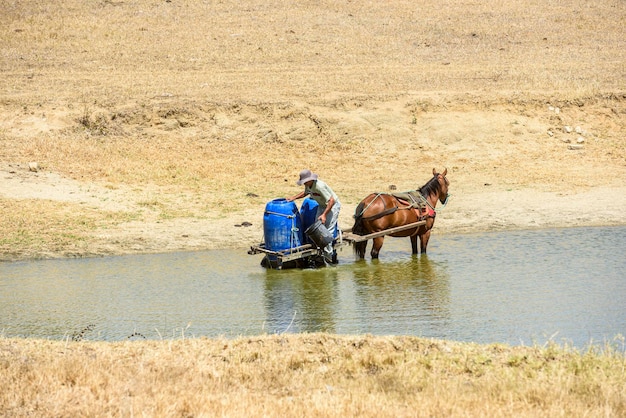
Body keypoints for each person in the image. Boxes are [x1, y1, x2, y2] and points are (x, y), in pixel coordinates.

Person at [286, 169, 341, 264]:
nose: (304, 184)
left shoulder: (319, 186)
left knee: (327, 232)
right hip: (322, 205)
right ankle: (321, 253)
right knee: (317, 229)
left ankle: (329, 258)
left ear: (310, 180)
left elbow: (332, 200)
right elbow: (305, 193)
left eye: (305, 182)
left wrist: (324, 215)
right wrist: (293, 198)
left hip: (332, 206)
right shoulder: (309, 185)